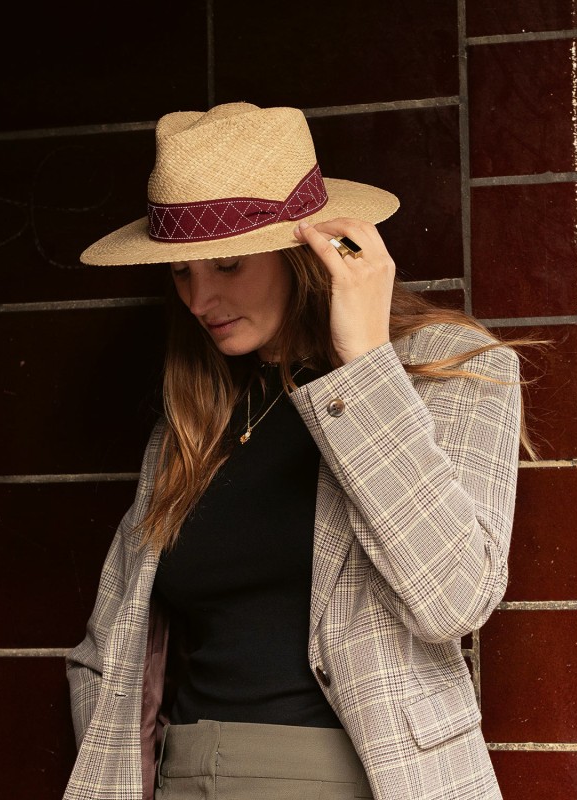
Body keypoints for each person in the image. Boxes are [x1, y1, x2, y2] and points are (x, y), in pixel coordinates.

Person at [63, 102, 526, 800]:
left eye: (225, 264)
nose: (199, 298)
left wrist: (364, 365)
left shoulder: (450, 367)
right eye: (182, 273)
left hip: (351, 781)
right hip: (183, 777)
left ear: (304, 252)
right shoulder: (194, 417)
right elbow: (111, 642)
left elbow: (455, 597)